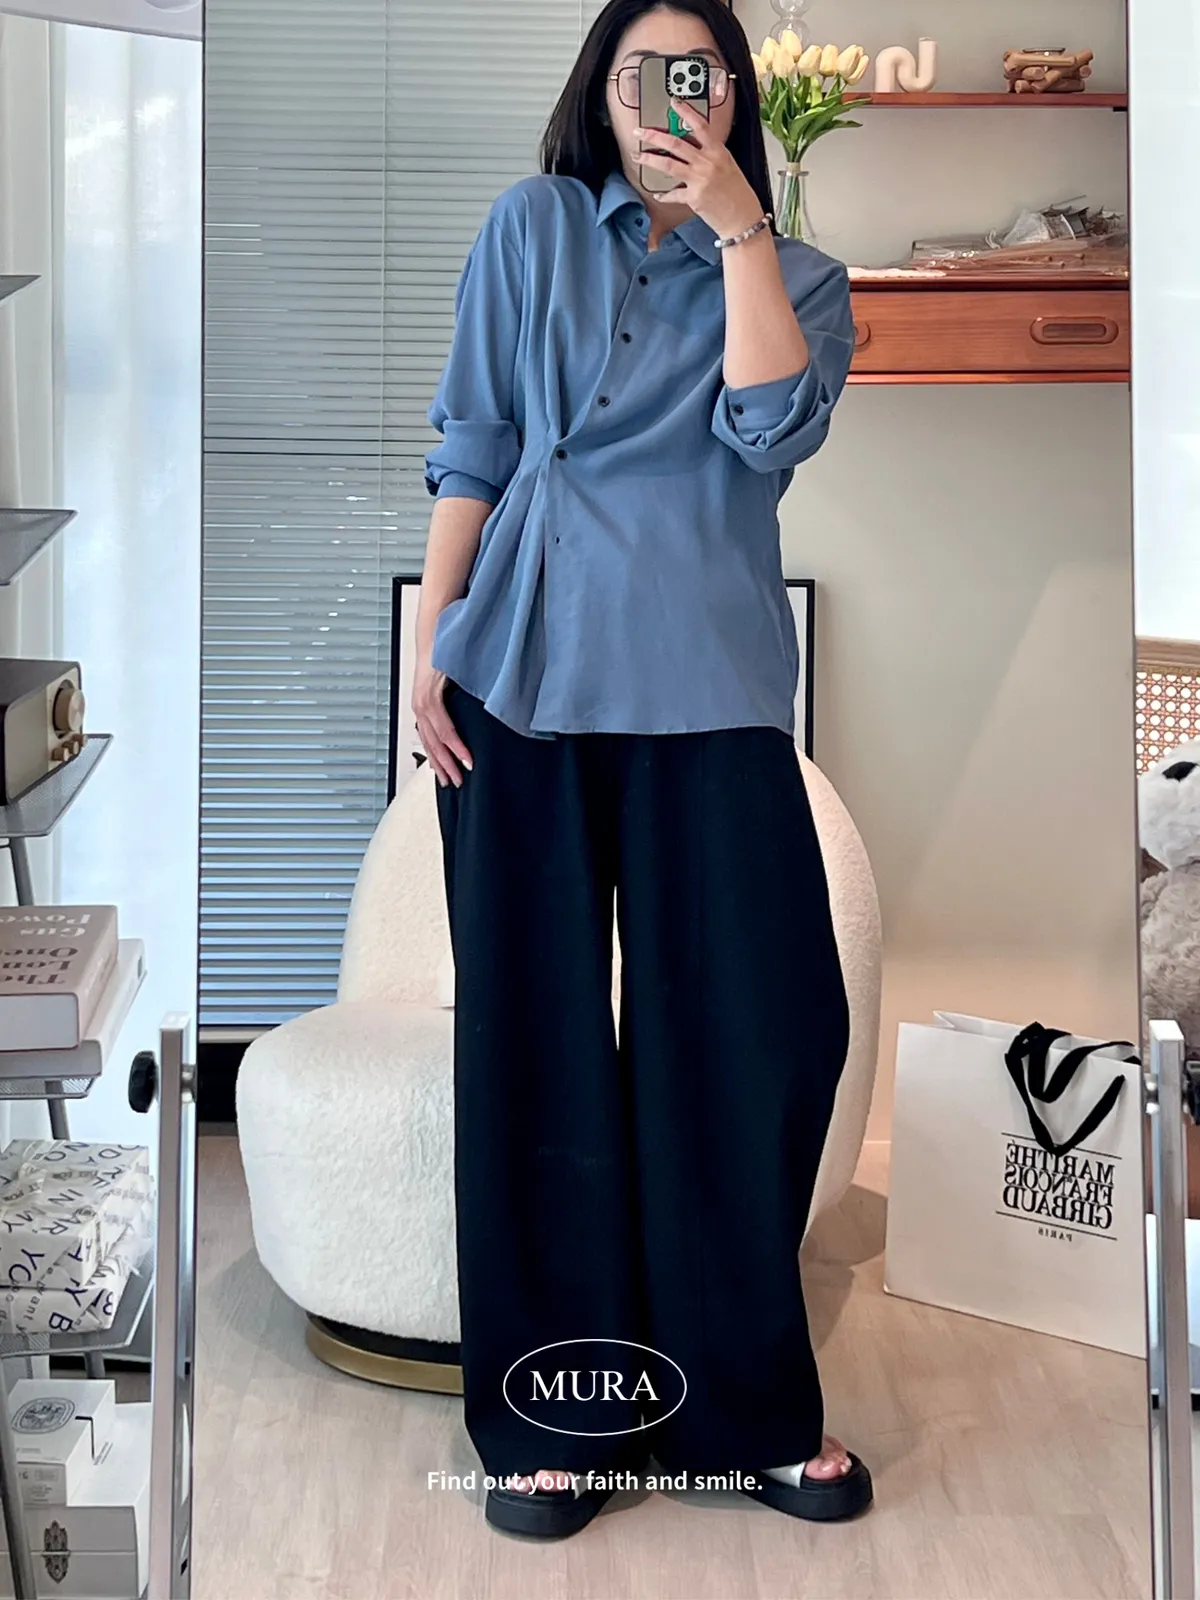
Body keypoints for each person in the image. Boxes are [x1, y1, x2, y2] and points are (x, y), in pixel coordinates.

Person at [413, 0, 872, 1541]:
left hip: (710, 690)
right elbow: (477, 436)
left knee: (758, 1036)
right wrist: (434, 639)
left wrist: (741, 230)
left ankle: (744, 1408)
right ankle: (558, 1413)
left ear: (733, 95)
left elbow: (768, 432)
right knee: (530, 1043)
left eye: (700, 76)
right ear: (598, 91)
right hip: (521, 672)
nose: (671, 101)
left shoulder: (802, 279)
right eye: (642, 74)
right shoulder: (530, 226)